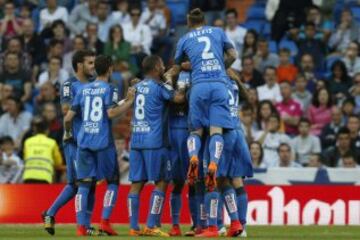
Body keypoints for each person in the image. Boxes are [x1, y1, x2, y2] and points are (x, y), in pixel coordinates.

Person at [165, 8, 236, 194]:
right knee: (216, 130)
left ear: (189, 22)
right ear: (204, 20)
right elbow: (234, 56)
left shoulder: (185, 39)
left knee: (195, 131)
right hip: (220, 85)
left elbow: (178, 63)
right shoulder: (218, 32)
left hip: (199, 86)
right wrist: (221, 67)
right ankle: (213, 163)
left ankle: (194, 158)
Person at [64, 55, 135, 236]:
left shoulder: (83, 89)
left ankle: (81, 226)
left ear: (95, 69)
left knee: (84, 185)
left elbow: (68, 118)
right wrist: (130, 103)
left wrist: (69, 133)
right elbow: (110, 112)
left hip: (83, 142)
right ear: (110, 69)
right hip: (103, 142)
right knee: (112, 182)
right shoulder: (110, 88)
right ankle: (104, 222)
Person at [127, 55, 185, 237]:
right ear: (154, 68)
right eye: (161, 65)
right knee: (161, 182)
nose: (163, 67)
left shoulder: (136, 87)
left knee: (136, 184)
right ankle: (151, 224)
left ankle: (133, 227)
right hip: (155, 141)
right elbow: (178, 99)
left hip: (136, 141)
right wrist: (180, 84)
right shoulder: (159, 87)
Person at [42, 50, 96, 236]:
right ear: (79, 65)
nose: (93, 66)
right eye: (90, 63)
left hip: (90, 140)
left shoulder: (94, 84)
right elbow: (65, 108)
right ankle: (82, 225)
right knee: (81, 183)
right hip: (73, 139)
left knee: (85, 183)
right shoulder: (69, 85)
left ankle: (51, 214)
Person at [22, 116, 63, 183]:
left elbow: (25, 158)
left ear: (35, 130)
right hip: (45, 177)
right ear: (47, 130)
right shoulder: (52, 143)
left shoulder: (27, 142)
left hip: (28, 176)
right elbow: (58, 162)